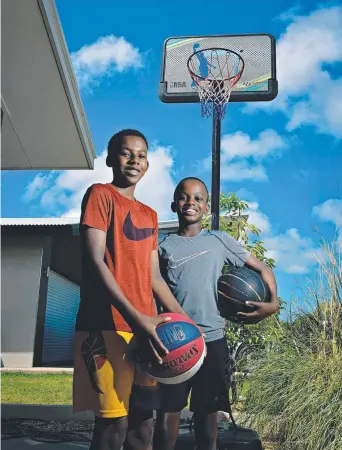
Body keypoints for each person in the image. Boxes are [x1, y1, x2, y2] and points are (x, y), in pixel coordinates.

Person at [72, 129, 188, 450]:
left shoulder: (149, 215)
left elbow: (155, 279)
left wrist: (187, 323)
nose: (134, 160)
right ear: (110, 158)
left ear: (148, 165)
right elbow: (97, 262)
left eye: (141, 155)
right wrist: (137, 317)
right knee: (113, 427)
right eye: (126, 153)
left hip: (146, 333)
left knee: (143, 428)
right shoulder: (100, 195)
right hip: (106, 328)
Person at [154, 177, 278, 450]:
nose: (191, 203)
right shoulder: (162, 246)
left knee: (208, 411)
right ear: (174, 204)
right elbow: (154, 288)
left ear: (207, 207)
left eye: (198, 198)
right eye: (185, 197)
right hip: (175, 340)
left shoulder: (219, 240)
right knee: (168, 409)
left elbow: (263, 270)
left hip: (212, 338)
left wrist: (273, 303)